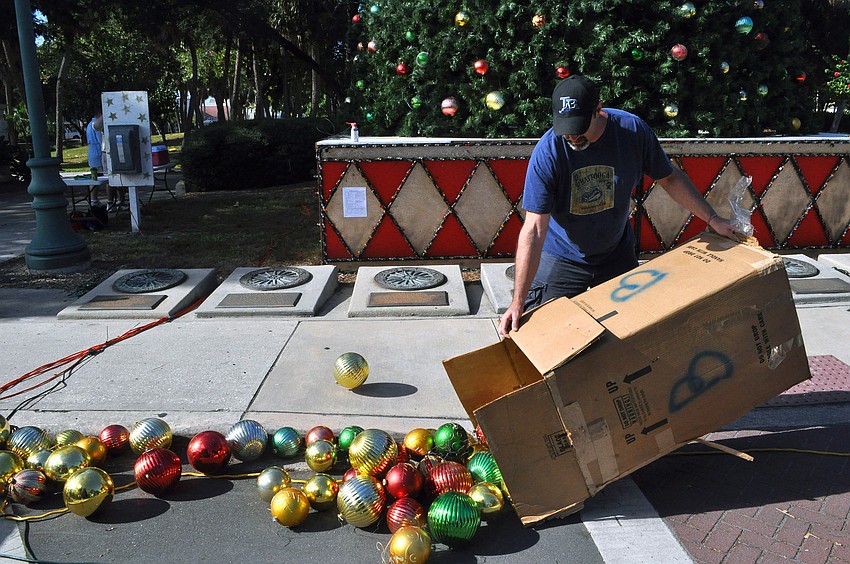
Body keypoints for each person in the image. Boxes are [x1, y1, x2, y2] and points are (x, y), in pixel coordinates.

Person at [498, 75, 738, 337]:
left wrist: (713, 219)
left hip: (615, 251)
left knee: (629, 334)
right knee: (539, 335)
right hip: (562, 256)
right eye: (565, 127)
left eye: (578, 126)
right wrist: (517, 301)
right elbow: (534, 229)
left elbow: (669, 178)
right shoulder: (549, 151)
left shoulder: (632, 132)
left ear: (598, 109)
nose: (571, 135)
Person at [85, 111, 104, 207]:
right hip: (97, 152)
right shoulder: (95, 125)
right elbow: (101, 140)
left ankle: (93, 199)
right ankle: (94, 199)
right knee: (99, 177)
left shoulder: (89, 125)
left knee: (94, 176)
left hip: (91, 152)